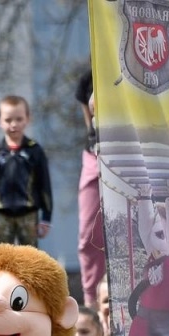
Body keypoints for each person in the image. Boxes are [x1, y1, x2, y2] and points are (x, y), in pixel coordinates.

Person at [0, 95, 52, 247]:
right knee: (2, 255)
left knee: (29, 256)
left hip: (28, 214)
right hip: (2, 214)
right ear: (0, 121)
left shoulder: (35, 150)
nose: (14, 124)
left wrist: (46, 217)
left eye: (19, 119)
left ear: (27, 119)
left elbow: (44, 184)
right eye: (8, 120)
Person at [75, 70, 106, 306]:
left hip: (127, 154)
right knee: (88, 234)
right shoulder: (88, 78)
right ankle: (92, 302)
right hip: (94, 156)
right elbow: (90, 123)